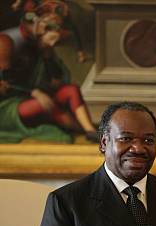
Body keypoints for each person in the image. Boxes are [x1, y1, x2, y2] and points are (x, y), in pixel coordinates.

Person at [0, 0, 97, 143]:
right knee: (45, 105)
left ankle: (90, 130)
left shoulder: (42, 46)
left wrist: (47, 56)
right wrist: (34, 92)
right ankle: (81, 130)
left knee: (71, 90)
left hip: (34, 97)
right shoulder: (10, 43)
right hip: (8, 106)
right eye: (50, 28)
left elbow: (57, 80)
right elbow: (6, 81)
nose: (53, 43)